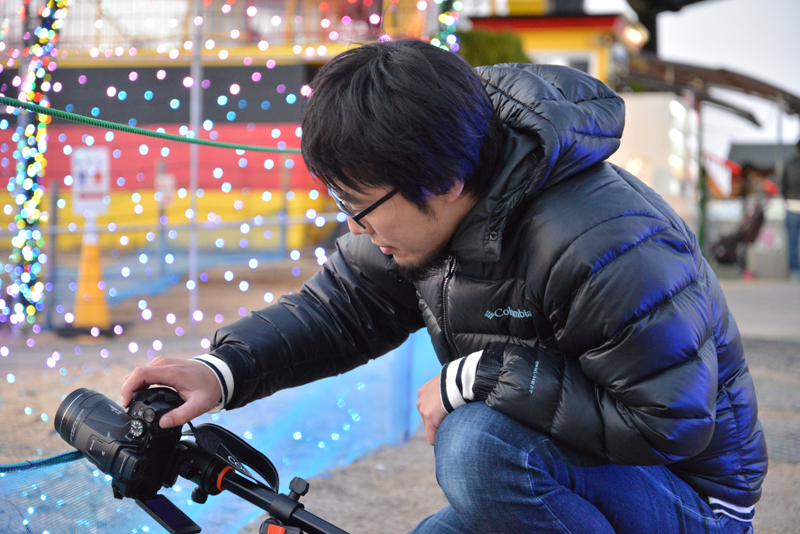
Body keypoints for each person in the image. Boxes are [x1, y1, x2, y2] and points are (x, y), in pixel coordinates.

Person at [121, 40, 767, 533]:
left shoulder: (601, 243)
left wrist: (481, 377)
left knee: (477, 445)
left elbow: (670, 423)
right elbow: (342, 307)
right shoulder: (430, 201)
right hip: (575, 469)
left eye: (360, 206)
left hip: (688, 497)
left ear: (444, 182)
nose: (354, 226)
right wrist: (221, 371)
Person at [782, 139, 800, 280]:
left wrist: (787, 199)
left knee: (792, 242)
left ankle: (794, 271)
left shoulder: (789, 164)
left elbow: (782, 187)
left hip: (792, 207)